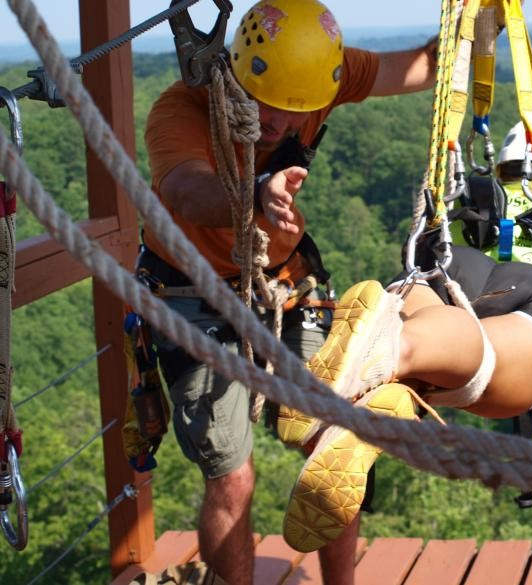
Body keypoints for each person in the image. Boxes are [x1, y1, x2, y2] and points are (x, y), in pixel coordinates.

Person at [136, 1, 437, 584]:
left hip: (279, 287)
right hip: (189, 292)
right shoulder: (181, 107)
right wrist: (252, 195)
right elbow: (187, 191)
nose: (274, 122)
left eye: (291, 112)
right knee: (232, 474)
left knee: (336, 447)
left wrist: (484, 22)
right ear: (239, 72)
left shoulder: (321, 73)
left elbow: (422, 66)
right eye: (259, 104)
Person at [281, 116, 532, 552]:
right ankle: (393, 352)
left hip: (453, 268)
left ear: (504, 166)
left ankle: (387, 372)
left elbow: (432, 255)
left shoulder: (478, 202)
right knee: (484, 359)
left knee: (430, 314)